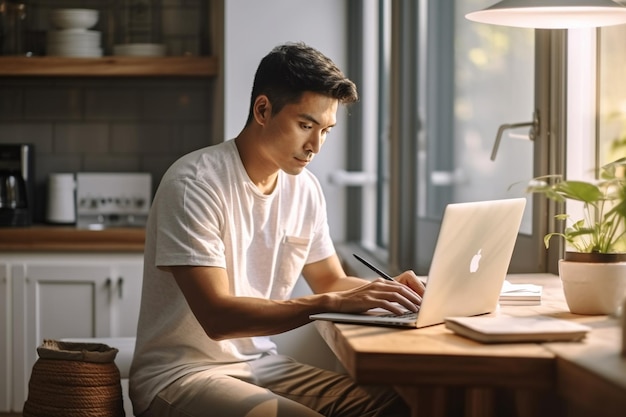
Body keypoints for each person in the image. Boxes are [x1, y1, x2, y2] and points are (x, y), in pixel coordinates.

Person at [129, 42, 426, 417]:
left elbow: (330, 282)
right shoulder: (194, 183)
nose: (315, 145)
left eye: (326, 130)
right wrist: (331, 303)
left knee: (395, 406)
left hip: (260, 366)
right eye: (306, 125)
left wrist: (390, 291)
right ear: (263, 110)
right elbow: (218, 317)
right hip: (182, 375)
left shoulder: (304, 189)